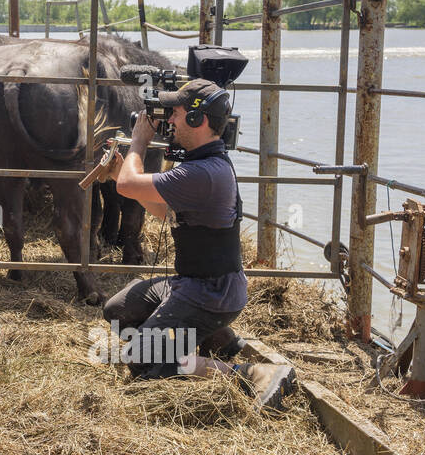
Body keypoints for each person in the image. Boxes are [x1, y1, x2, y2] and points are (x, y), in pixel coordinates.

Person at [110, 78, 296, 409]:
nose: (169, 121)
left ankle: (248, 373)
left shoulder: (204, 172)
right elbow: (163, 210)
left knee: (141, 362)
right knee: (117, 311)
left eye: (177, 113)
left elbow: (127, 186)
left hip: (212, 293)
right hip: (192, 284)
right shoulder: (200, 165)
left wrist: (138, 143)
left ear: (199, 119)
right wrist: (123, 177)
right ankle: (210, 341)